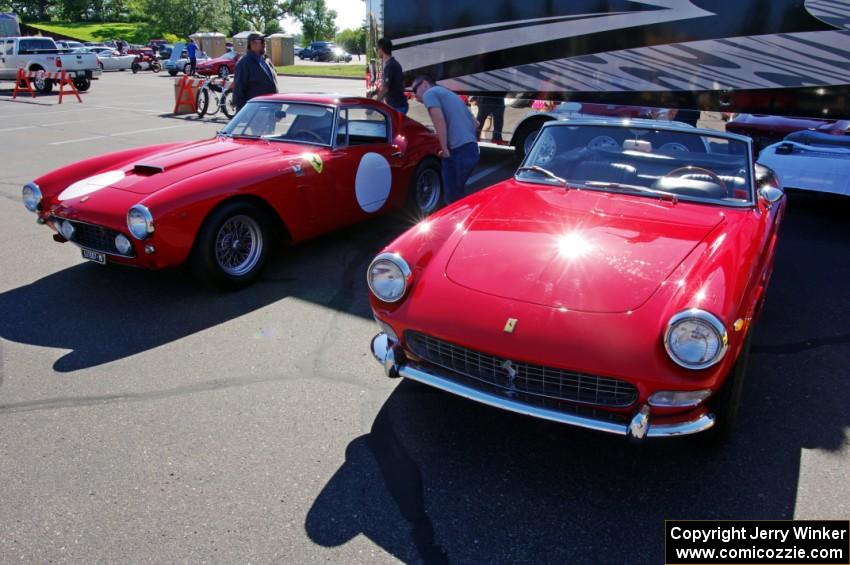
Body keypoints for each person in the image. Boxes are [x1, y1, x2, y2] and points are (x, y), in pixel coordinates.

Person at [412, 75, 480, 205]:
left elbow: (439, 121)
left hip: (458, 151)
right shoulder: (449, 94)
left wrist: (444, 149)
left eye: (415, 90)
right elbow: (476, 123)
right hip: (471, 150)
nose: (415, 95)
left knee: (452, 200)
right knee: (458, 196)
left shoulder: (430, 93)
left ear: (425, 83)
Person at [232, 33, 278, 111]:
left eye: (265, 41)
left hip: (270, 109)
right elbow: (238, 91)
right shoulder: (244, 63)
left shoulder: (266, 61)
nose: (264, 44)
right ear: (252, 44)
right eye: (261, 41)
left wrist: (277, 109)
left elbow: (273, 85)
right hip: (254, 111)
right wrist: (244, 112)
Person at [372, 38, 408, 115]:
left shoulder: (390, 66)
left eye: (377, 49)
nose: (377, 52)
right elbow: (402, 83)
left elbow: (385, 89)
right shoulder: (394, 63)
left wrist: (374, 104)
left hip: (397, 107)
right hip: (398, 105)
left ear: (381, 49)